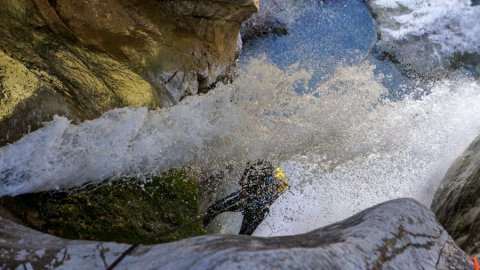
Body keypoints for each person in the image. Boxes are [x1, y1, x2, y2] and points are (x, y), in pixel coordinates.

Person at [202, 160, 289, 235]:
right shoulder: (278, 172)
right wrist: (269, 202)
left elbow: (242, 182)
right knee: (244, 237)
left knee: (213, 209)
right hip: (261, 210)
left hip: (247, 201)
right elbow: (283, 189)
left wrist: (247, 189)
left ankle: (200, 229)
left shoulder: (258, 165)